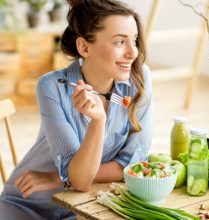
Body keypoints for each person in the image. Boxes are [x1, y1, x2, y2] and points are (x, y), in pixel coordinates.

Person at [0, 0, 153, 219]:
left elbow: (132, 165)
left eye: (134, 40)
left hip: (83, 205)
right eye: (120, 42)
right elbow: (80, 181)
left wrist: (59, 178)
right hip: (29, 203)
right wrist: (98, 122)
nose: (133, 53)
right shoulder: (52, 86)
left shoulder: (139, 79)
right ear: (84, 47)